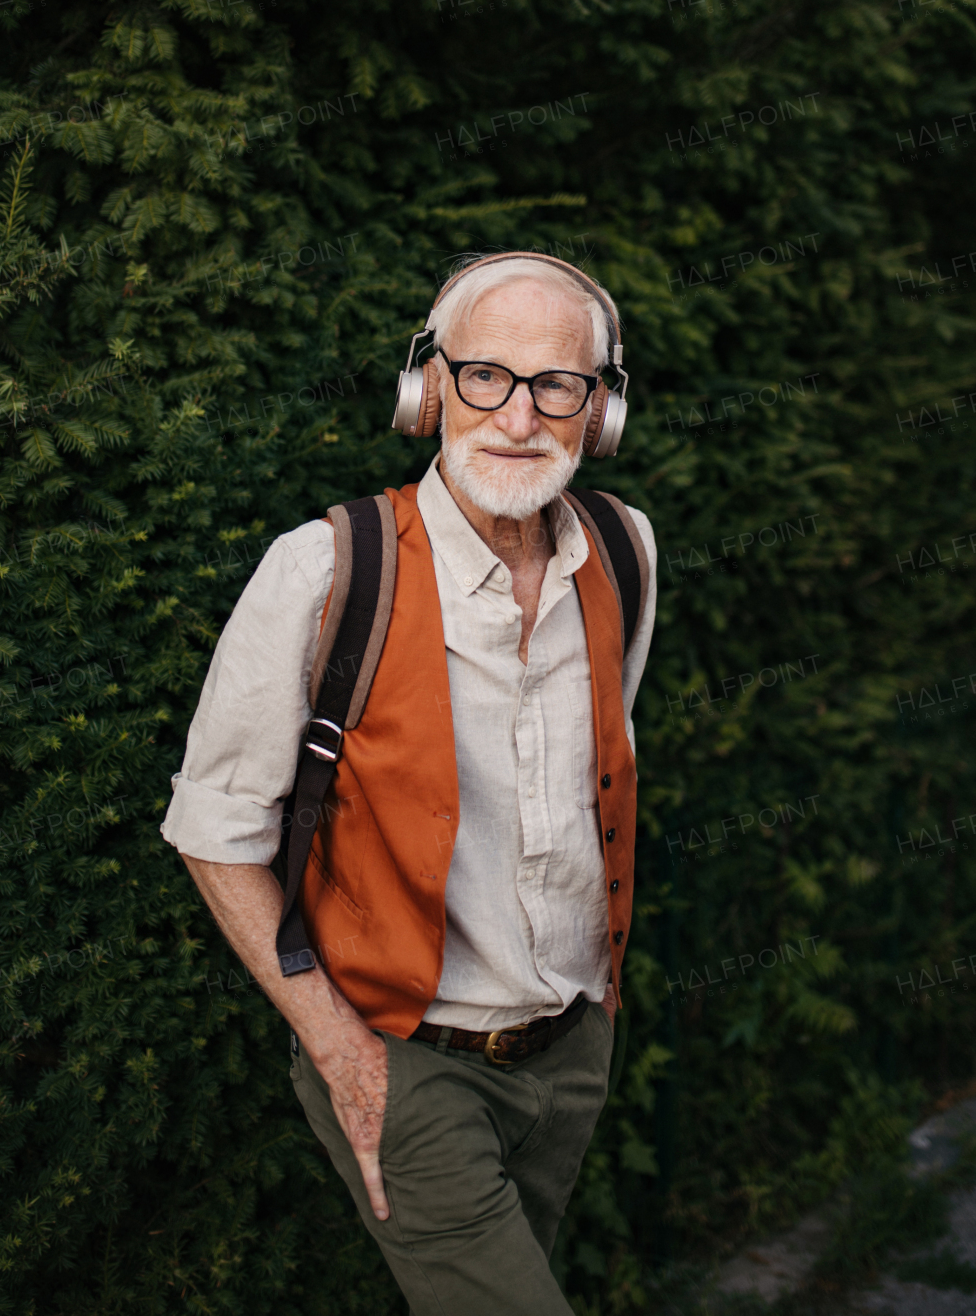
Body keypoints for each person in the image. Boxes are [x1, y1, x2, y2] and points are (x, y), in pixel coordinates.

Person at [161, 253, 658, 1315]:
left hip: (571, 1049)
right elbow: (211, 828)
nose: (516, 416)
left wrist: (598, 1015)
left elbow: (596, 781)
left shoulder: (623, 551)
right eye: (483, 375)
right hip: (405, 1060)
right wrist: (340, 1052)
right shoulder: (326, 567)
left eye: (555, 385)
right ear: (426, 386)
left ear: (599, 411)